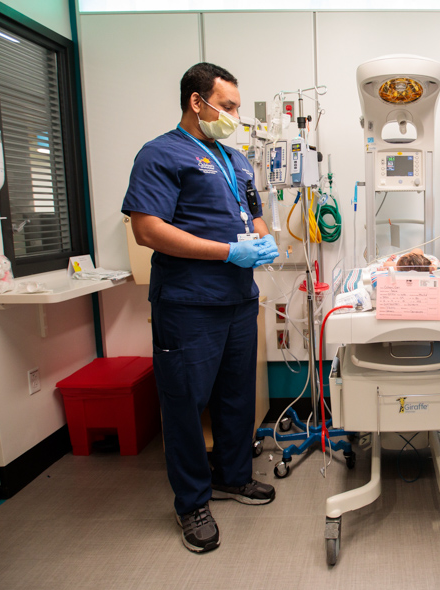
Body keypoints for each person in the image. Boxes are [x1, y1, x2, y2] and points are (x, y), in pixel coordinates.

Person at [122, 62, 280, 553]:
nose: (234, 115)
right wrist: (227, 252)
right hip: (188, 303)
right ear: (197, 102)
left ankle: (233, 476)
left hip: (237, 300)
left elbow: (251, 210)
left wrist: (261, 236)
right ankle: (191, 502)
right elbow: (147, 228)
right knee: (186, 404)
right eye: (227, 106)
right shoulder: (160, 154)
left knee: (236, 396)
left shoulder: (236, 159)